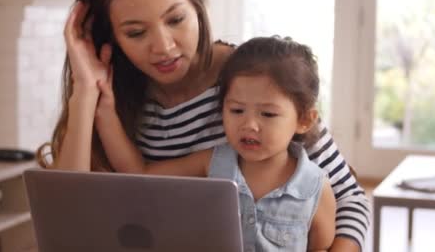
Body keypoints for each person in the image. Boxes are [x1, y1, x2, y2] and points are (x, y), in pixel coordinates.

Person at [38, 0, 369, 251]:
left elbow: (350, 197)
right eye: (136, 32)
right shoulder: (113, 96)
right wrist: (85, 92)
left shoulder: (255, 82)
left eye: (177, 19)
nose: (164, 47)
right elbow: (68, 216)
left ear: (197, 6)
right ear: (113, 39)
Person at [99, 36, 337, 251]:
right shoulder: (213, 161)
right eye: (236, 110)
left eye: (268, 114)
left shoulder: (315, 187)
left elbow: (322, 248)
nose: (249, 124)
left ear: (304, 120)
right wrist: (106, 112)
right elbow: (139, 173)